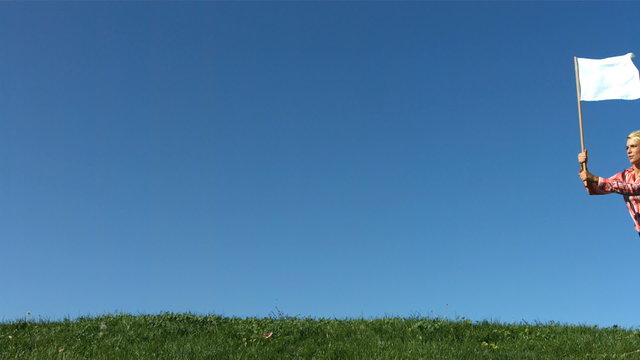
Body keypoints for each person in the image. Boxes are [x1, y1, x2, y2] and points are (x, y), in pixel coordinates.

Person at [579, 130, 640, 233]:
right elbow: (594, 190)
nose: (628, 151)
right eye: (627, 148)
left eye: (633, 146)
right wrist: (584, 168)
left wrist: (594, 178)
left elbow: (634, 188)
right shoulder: (625, 176)